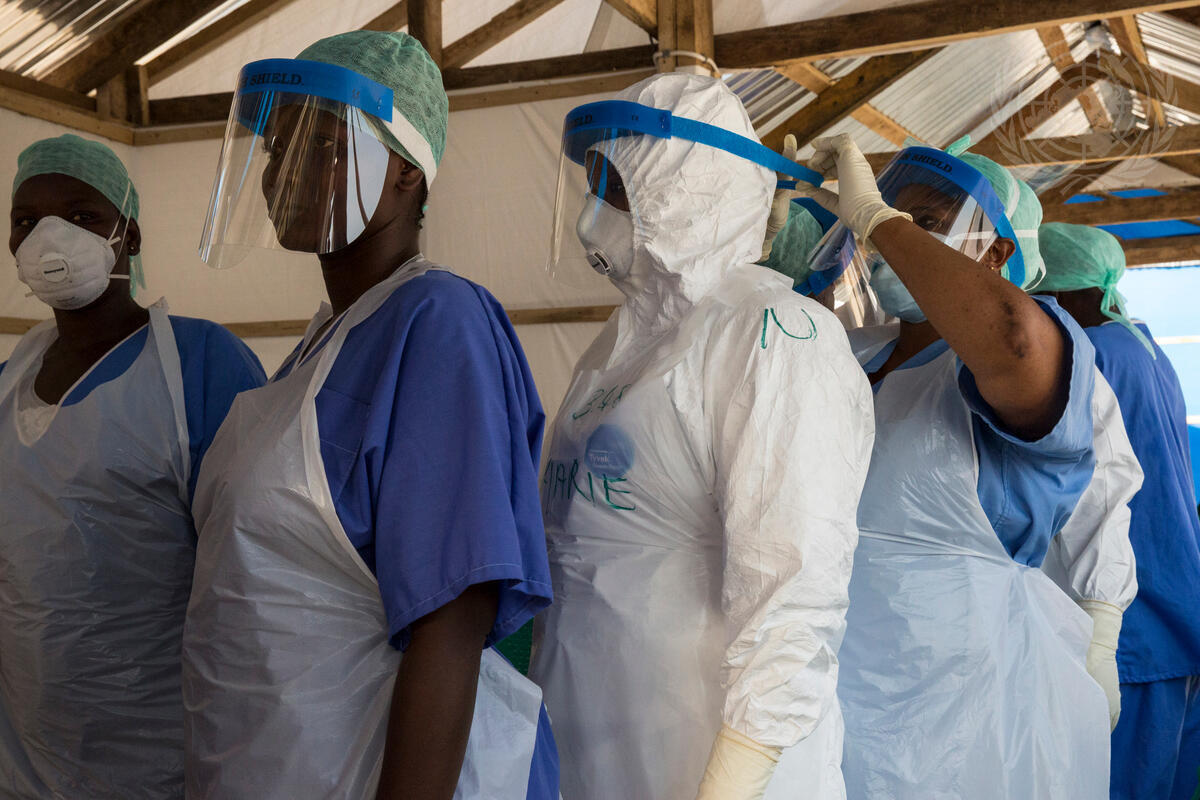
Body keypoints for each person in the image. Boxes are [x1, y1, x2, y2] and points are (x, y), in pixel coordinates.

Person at [182, 31, 558, 800]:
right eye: (277, 147)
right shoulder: (324, 343)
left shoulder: (437, 320)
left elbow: (453, 615)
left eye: (319, 144)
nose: (284, 170)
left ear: (405, 172)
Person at [529, 73, 875, 799]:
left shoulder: (774, 336)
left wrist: (735, 778)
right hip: (592, 743)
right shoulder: (619, 344)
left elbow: (794, 589)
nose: (593, 213)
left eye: (615, 186)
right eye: (593, 184)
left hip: (704, 758)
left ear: (679, 189)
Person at [792, 134, 1126, 798]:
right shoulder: (857, 353)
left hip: (963, 705)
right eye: (895, 215)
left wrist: (878, 218)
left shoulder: (1024, 354)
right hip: (833, 685)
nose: (897, 238)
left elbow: (1013, 338)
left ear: (996, 253)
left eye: (927, 221)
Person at [0, 133, 265, 798]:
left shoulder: (199, 366)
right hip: (25, 753)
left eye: (81, 215)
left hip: (162, 751)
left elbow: (256, 570)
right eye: (27, 220)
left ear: (131, 235)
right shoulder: (8, 382)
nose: (48, 237)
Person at [1036, 221, 1200, 800]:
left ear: (1064, 291)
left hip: (1133, 610)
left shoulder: (1090, 353)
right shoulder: (1142, 345)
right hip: (1175, 602)